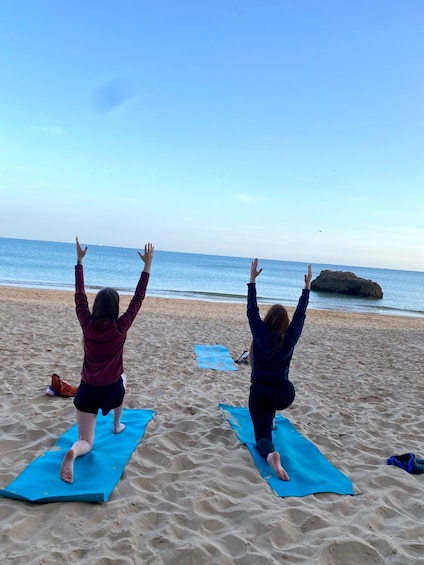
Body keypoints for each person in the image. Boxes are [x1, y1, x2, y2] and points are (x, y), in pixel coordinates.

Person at [60, 237, 154, 483]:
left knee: (86, 441)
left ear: (96, 307)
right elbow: (138, 300)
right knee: (123, 378)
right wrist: (146, 268)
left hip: (87, 393)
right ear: (114, 309)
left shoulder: (87, 324)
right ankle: (116, 425)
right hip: (112, 392)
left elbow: (79, 295)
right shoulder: (120, 327)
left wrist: (79, 263)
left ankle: (75, 451)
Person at [247, 259, 312, 481]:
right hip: (285, 394)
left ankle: (271, 456)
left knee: (262, 438)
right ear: (284, 324)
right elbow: (300, 316)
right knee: (271, 402)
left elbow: (251, 309)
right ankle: (272, 418)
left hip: (262, 393)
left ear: (267, 321)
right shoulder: (289, 337)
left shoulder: (260, 334)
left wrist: (252, 281)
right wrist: (306, 289)